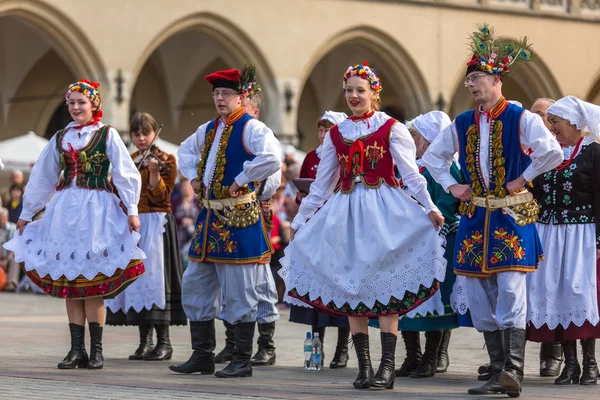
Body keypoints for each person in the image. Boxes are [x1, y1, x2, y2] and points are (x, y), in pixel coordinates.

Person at [279, 62, 447, 390]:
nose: (354, 96)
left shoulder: (392, 127)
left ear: (374, 93)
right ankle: (364, 366)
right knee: (350, 284)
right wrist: (300, 220)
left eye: (361, 90)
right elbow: (322, 184)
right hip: (345, 213)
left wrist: (429, 206)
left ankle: (387, 367)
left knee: (385, 284)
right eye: (349, 90)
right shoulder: (337, 134)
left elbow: (410, 173)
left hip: (385, 211)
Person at [422, 24, 563, 397]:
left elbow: (553, 152)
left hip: (511, 217)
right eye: (469, 79)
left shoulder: (522, 117)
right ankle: (496, 370)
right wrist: (452, 186)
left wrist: (526, 176)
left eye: (478, 77)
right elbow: (432, 157)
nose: (472, 85)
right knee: (478, 294)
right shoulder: (462, 123)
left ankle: (513, 370)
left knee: (512, 291)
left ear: (496, 79)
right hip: (475, 218)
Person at [3, 79, 146, 370]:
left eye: (81, 102)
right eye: (71, 102)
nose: (76, 107)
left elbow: (125, 172)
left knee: (92, 285)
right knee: (72, 283)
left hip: (97, 213)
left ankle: (96, 350)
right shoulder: (60, 137)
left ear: (94, 104)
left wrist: (132, 209)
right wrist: (27, 213)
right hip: (65, 213)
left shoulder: (107, 135)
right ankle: (76, 349)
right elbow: (43, 177)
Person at [171, 66, 281, 379]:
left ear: (242, 96)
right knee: (195, 283)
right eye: (217, 94)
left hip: (238, 219)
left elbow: (272, 157)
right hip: (208, 220)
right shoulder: (208, 129)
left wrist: (243, 178)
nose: (220, 98)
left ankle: (242, 360)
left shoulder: (251, 128)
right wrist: (192, 175)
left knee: (240, 290)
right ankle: (202, 355)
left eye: (226, 94)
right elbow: (184, 150)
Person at [380, 111, 461, 379]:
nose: (410, 139)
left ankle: (431, 355)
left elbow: (449, 206)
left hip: (432, 244)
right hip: (407, 244)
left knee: (433, 300)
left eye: (414, 135)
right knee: (407, 299)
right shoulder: (411, 167)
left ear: (427, 139)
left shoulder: (445, 168)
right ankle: (412, 355)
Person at [527, 96, 600, 386]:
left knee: (580, 293)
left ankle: (590, 365)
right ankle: (570, 365)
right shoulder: (550, 152)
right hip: (550, 233)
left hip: (582, 233)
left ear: (571, 121)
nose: (551, 127)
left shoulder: (594, 153)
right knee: (556, 294)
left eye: (554, 121)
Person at [213, 69, 282, 368]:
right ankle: (232, 342)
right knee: (231, 283)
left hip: (255, 213)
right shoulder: (224, 132)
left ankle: (266, 344)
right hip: (228, 213)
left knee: (260, 281)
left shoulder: (259, 134)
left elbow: (274, 178)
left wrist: (248, 186)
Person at [105, 112, 187, 361]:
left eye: (146, 133)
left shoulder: (167, 160)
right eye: (136, 133)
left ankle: (164, 342)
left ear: (154, 133)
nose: (141, 138)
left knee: (155, 281)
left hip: (156, 223)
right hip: (134, 224)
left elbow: (162, 197)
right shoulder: (128, 161)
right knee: (137, 281)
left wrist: (154, 173)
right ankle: (145, 342)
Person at [288, 110, 352, 369]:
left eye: (328, 130)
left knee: (340, 288)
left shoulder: (343, 154)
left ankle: (342, 350)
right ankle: (317, 348)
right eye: (321, 129)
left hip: (337, 226)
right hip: (314, 225)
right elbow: (302, 191)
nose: (324, 134)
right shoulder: (312, 156)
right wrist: (302, 197)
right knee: (316, 287)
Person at [0, 208, 18, 292]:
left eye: (3, 217)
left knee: (15, 259)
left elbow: (14, 247)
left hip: (9, 255)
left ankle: (12, 283)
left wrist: (7, 260)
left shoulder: (13, 228)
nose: (2, 219)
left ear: (7, 217)